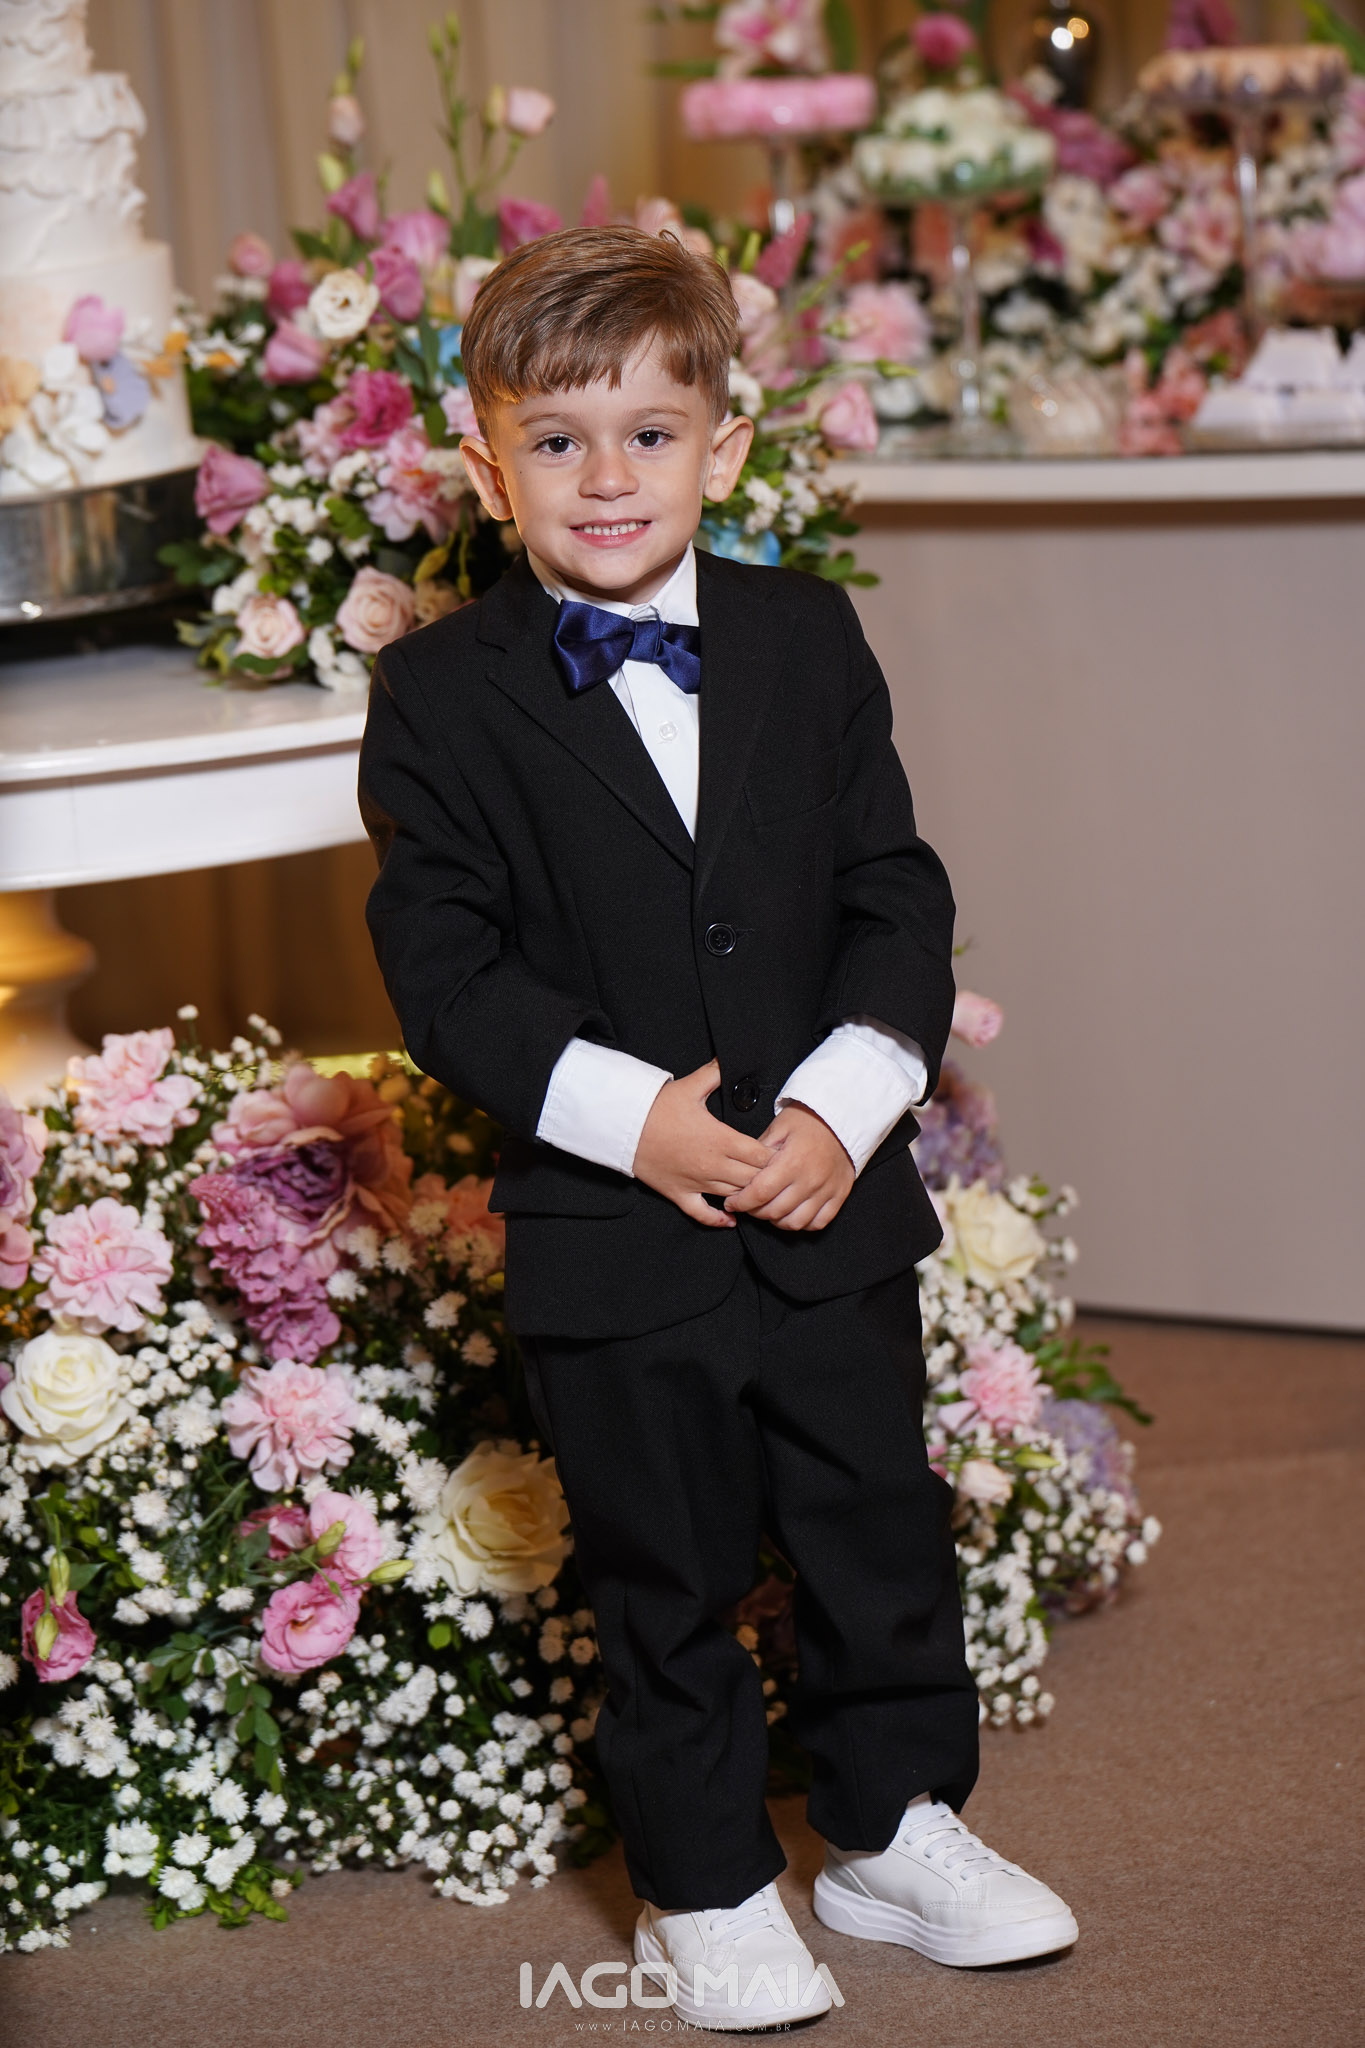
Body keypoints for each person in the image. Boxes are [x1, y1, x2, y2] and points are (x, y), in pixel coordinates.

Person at [359, 225, 1077, 2029]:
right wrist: (634, 1124)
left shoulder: (806, 636)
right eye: (556, 440)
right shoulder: (436, 696)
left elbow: (892, 894)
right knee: (664, 1564)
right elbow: (445, 974)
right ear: (486, 469)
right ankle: (704, 1884)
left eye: (650, 434)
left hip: (831, 1203)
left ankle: (892, 1830)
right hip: (619, 1235)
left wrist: (844, 1101)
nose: (607, 477)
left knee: (875, 1528)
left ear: (724, 449)